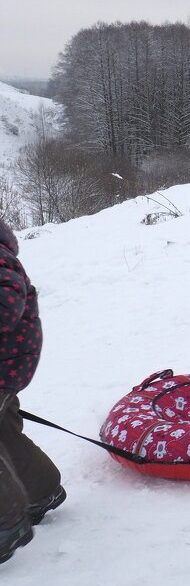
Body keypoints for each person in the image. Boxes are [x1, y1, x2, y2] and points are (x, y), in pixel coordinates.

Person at [1, 218, 65, 565]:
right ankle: (42, 490)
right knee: (5, 430)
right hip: (10, 361)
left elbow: (6, 304)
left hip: (5, 362)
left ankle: (5, 524)